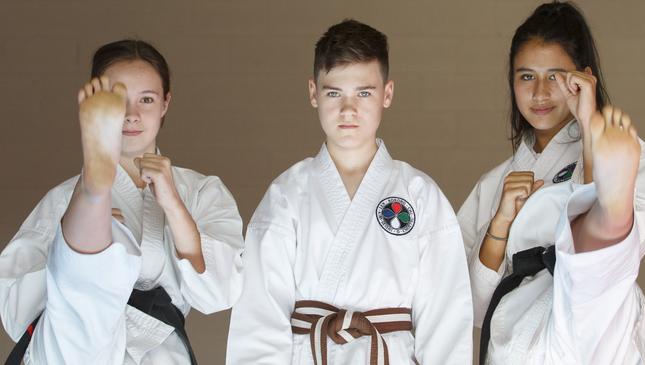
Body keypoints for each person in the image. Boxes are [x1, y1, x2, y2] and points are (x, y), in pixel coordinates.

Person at [226, 19, 473, 365]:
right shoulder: (288, 194)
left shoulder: (420, 195)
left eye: (364, 92)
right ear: (313, 92)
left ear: (387, 94)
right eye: (333, 93)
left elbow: (446, 318)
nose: (348, 110)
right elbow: (259, 314)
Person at [0, 40, 244, 365]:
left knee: (87, 249)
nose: (131, 115)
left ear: (165, 104)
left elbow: (220, 293)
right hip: (76, 337)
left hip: (155, 344)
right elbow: (15, 306)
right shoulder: (60, 200)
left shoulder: (200, 192)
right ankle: (91, 215)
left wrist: (173, 205)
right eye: (117, 100)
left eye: (146, 99)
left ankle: (90, 221)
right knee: (82, 298)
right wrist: (92, 258)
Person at [457, 3, 645, 364]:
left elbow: (621, 258)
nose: (540, 93)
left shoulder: (625, 150)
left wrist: (591, 132)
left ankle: (607, 204)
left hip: (594, 322)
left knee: (601, 252)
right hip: (516, 338)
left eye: (555, 76)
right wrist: (500, 222)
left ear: (583, 78)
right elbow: (474, 306)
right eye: (526, 76)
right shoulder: (494, 183)